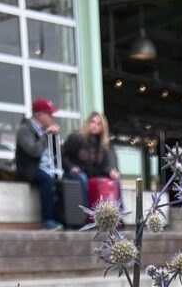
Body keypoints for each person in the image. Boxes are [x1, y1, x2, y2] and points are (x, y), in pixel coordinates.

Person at [15, 98, 62, 230]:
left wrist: (55, 136)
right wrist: (46, 135)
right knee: (46, 180)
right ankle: (47, 219)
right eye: (49, 114)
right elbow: (34, 151)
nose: (51, 117)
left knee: (64, 180)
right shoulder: (24, 130)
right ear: (40, 114)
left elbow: (57, 153)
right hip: (29, 169)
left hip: (48, 167)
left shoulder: (45, 130)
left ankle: (62, 217)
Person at [62, 111, 120, 206]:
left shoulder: (103, 144)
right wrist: (71, 167)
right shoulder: (76, 138)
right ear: (88, 122)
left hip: (92, 175)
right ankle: (85, 212)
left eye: (98, 124)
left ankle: (118, 213)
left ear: (102, 128)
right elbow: (63, 156)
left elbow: (107, 164)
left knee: (116, 180)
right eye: (92, 122)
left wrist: (111, 172)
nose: (94, 125)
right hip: (74, 174)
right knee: (82, 178)